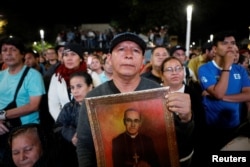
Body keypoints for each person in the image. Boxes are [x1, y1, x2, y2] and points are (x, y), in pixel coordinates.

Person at [76, 32, 194, 167]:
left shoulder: (159, 95)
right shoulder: (94, 98)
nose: (128, 55)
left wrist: (186, 119)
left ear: (143, 60)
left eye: (136, 51)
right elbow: (84, 145)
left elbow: (176, 143)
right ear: (109, 59)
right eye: (121, 49)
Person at [197, 31, 250, 154]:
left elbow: (248, 95)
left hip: (235, 127)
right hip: (211, 129)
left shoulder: (240, 70)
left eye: (233, 43)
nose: (230, 46)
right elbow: (218, 93)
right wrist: (227, 66)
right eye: (225, 43)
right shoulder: (205, 69)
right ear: (215, 49)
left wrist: (220, 97)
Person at [0, 37, 46, 165]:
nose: (8, 53)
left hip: (26, 130)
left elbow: (33, 105)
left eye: (13, 50)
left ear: (22, 55)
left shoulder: (33, 75)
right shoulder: (1, 75)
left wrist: (3, 114)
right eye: (4, 50)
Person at [160, 56, 205, 167]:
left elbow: (200, 125)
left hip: (186, 151)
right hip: (162, 152)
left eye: (178, 68)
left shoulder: (194, 94)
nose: (175, 72)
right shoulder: (153, 94)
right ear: (161, 75)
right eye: (169, 70)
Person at [55, 71, 93, 167]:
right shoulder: (69, 107)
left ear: (90, 86)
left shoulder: (101, 105)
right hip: (74, 155)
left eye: (79, 86)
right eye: (72, 87)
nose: (75, 91)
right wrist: (71, 135)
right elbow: (57, 127)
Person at [47, 43, 87, 121]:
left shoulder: (90, 74)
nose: (69, 58)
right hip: (65, 125)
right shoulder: (56, 77)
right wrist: (63, 124)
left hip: (87, 123)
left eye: (73, 54)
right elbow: (53, 104)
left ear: (81, 58)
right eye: (66, 55)